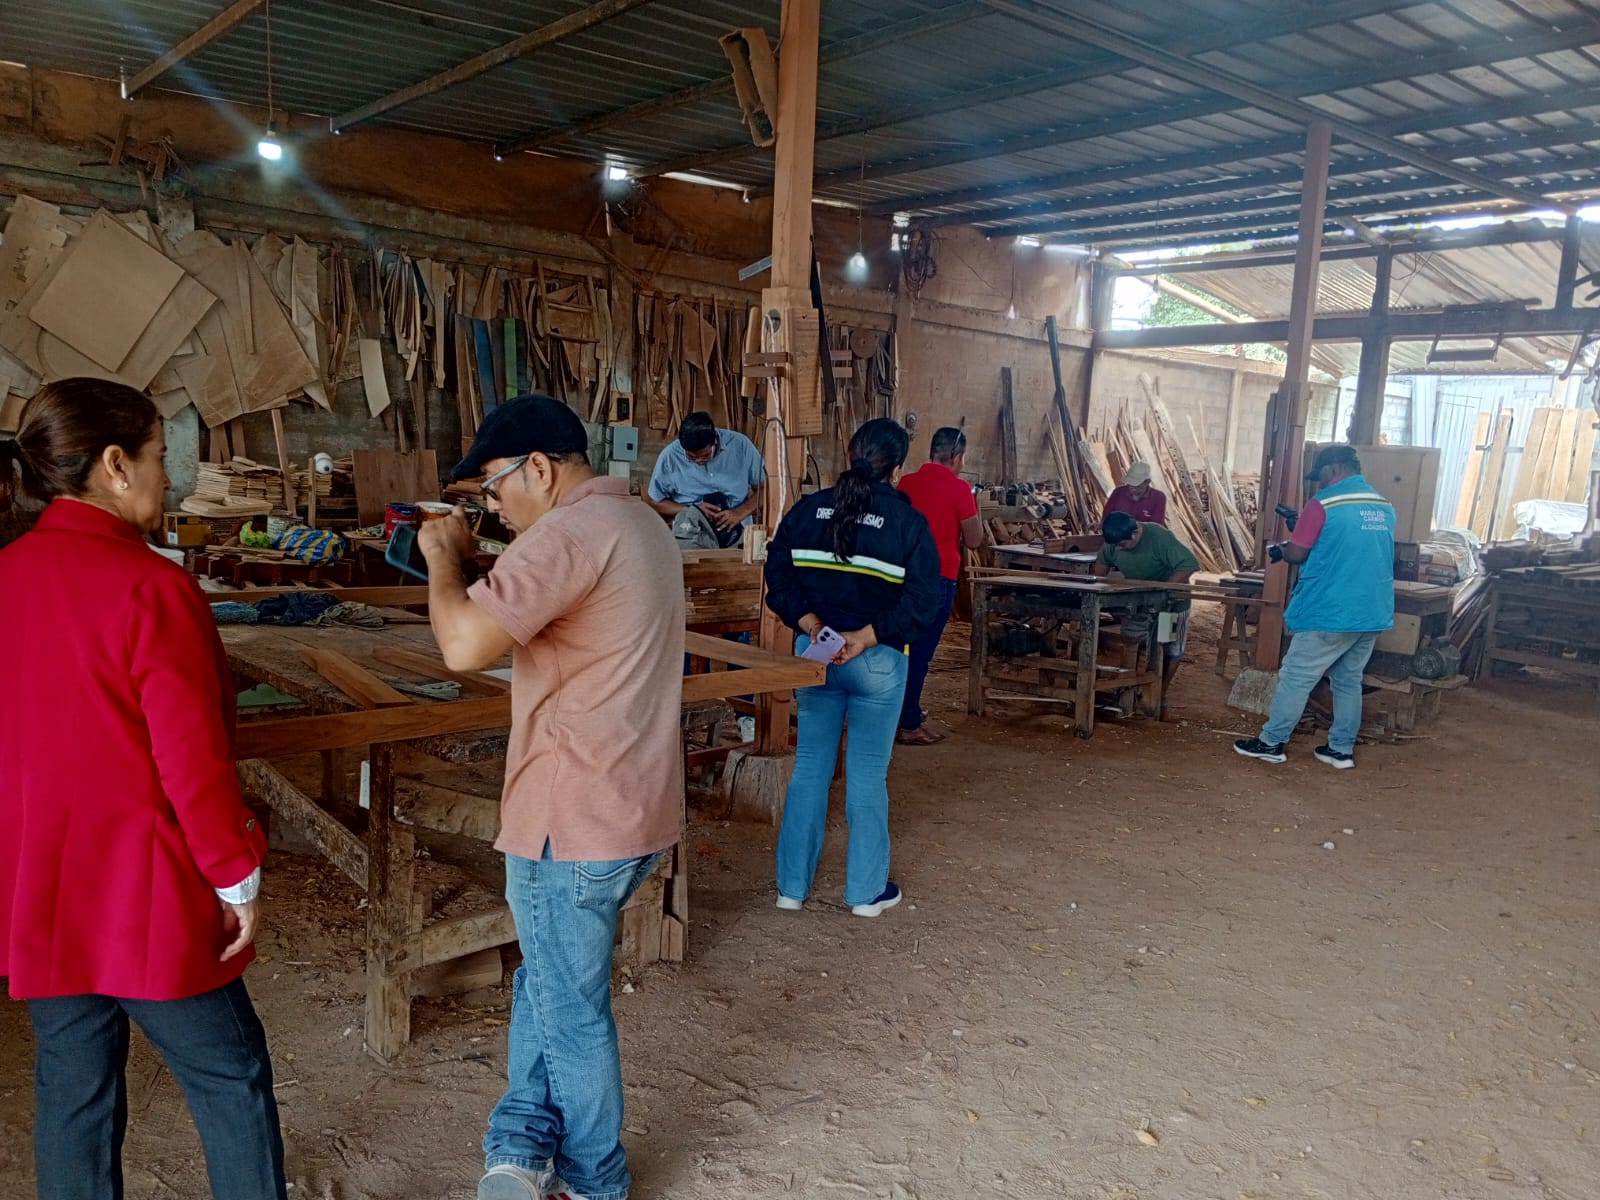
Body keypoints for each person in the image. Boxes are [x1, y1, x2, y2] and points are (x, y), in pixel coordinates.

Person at [0, 378, 284, 1200]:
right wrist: (235, 875)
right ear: (115, 465)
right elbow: (192, 762)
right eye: (160, 457)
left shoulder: (8, 575)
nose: (171, 477)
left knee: (73, 1089)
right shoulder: (153, 587)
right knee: (230, 1077)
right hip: (144, 891)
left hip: (42, 892)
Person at [417, 394, 684, 1200]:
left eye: (494, 487)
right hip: (632, 809)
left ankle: (595, 1180)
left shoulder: (568, 534)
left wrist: (443, 558)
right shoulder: (639, 523)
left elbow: (462, 645)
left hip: (568, 821)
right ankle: (523, 1140)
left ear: (539, 467)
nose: (493, 507)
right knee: (548, 981)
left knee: (569, 1008)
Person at [763, 418, 942, 918]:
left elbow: (777, 575)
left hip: (817, 656)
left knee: (809, 769)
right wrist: (865, 637)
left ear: (849, 452)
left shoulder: (807, 510)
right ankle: (865, 894)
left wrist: (814, 625)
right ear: (897, 469)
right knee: (866, 777)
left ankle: (790, 889)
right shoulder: (907, 523)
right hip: (877, 661)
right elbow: (923, 602)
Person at [1236, 445, 1395, 770]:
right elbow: (1350, 544)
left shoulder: (1323, 503)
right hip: (1372, 610)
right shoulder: (1382, 505)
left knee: (1296, 676)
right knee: (1348, 680)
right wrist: (1306, 527)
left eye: (1320, 475)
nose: (1318, 483)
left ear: (1333, 468)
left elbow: (1297, 553)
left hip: (1332, 610)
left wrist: (1282, 548)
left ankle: (1271, 742)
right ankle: (1340, 749)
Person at [895, 426, 985, 745]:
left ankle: (900, 710)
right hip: (937, 579)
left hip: (901, 577)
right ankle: (908, 724)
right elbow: (974, 540)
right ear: (957, 456)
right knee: (920, 651)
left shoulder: (906, 483)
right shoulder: (959, 489)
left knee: (899, 647)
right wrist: (975, 508)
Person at [1094, 510, 1200, 710]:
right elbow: (1102, 564)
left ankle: (1158, 695)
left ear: (1135, 533)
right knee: (1130, 643)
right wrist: (1099, 587)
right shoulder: (1115, 539)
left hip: (1170, 606)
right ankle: (1127, 692)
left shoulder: (1159, 537)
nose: (1119, 549)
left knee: (1168, 647)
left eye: (1123, 544)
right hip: (1137, 601)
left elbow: (1189, 564)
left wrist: (1163, 590)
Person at [645, 410, 766, 548]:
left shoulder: (741, 446)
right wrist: (693, 510)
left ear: (715, 440)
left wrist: (740, 512)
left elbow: (766, 489)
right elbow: (654, 501)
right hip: (691, 536)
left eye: (705, 455)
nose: (699, 461)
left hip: (738, 534)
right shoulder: (670, 457)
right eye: (691, 457)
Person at [1103, 460, 1168, 526]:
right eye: (1129, 484)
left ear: (1147, 482)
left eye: (1136, 485)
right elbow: (1106, 517)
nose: (1131, 488)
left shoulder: (1158, 498)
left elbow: (1156, 526)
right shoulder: (1118, 492)